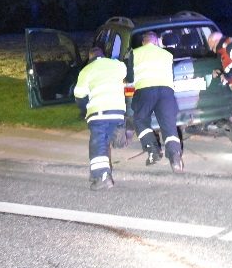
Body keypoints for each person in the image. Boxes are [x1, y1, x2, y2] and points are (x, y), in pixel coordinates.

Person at [128, 31, 184, 173]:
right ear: (157, 42)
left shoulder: (135, 53)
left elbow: (129, 76)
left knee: (140, 120)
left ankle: (153, 151)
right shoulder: (167, 54)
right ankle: (175, 158)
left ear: (143, 43)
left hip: (145, 91)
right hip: (166, 92)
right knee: (169, 125)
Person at [74, 46, 128, 191]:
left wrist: (85, 108)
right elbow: (125, 72)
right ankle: (98, 173)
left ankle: (103, 176)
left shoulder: (86, 70)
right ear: (103, 55)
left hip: (99, 113)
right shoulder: (116, 64)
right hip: (118, 111)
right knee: (104, 143)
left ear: (90, 57)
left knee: (98, 144)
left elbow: (79, 95)